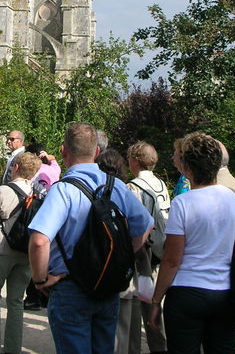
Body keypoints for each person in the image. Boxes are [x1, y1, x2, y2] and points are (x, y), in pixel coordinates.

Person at [28, 122, 153, 354]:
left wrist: (40, 280)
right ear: (97, 152)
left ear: (64, 151)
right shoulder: (117, 187)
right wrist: (120, 258)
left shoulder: (62, 190)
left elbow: (39, 240)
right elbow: (145, 225)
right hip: (108, 285)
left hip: (70, 285)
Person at [148, 132, 235, 354]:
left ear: (187, 167)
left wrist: (156, 300)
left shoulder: (183, 203)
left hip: (187, 292)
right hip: (226, 291)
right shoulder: (233, 198)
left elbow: (171, 260)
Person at [0, 151, 42, 354]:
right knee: (16, 301)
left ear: (15, 167)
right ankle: (13, 348)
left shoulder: (4, 191)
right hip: (25, 252)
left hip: (1, 248)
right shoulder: (38, 193)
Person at [127, 141, 170, 354]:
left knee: (140, 299)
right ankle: (158, 345)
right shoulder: (161, 185)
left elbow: (133, 222)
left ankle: (139, 346)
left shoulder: (134, 186)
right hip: (161, 248)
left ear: (135, 161)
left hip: (144, 251)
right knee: (155, 299)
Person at [99, 148, 143, 354]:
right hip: (125, 261)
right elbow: (146, 224)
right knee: (125, 319)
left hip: (101, 261)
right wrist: (129, 250)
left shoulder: (98, 189)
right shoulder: (124, 189)